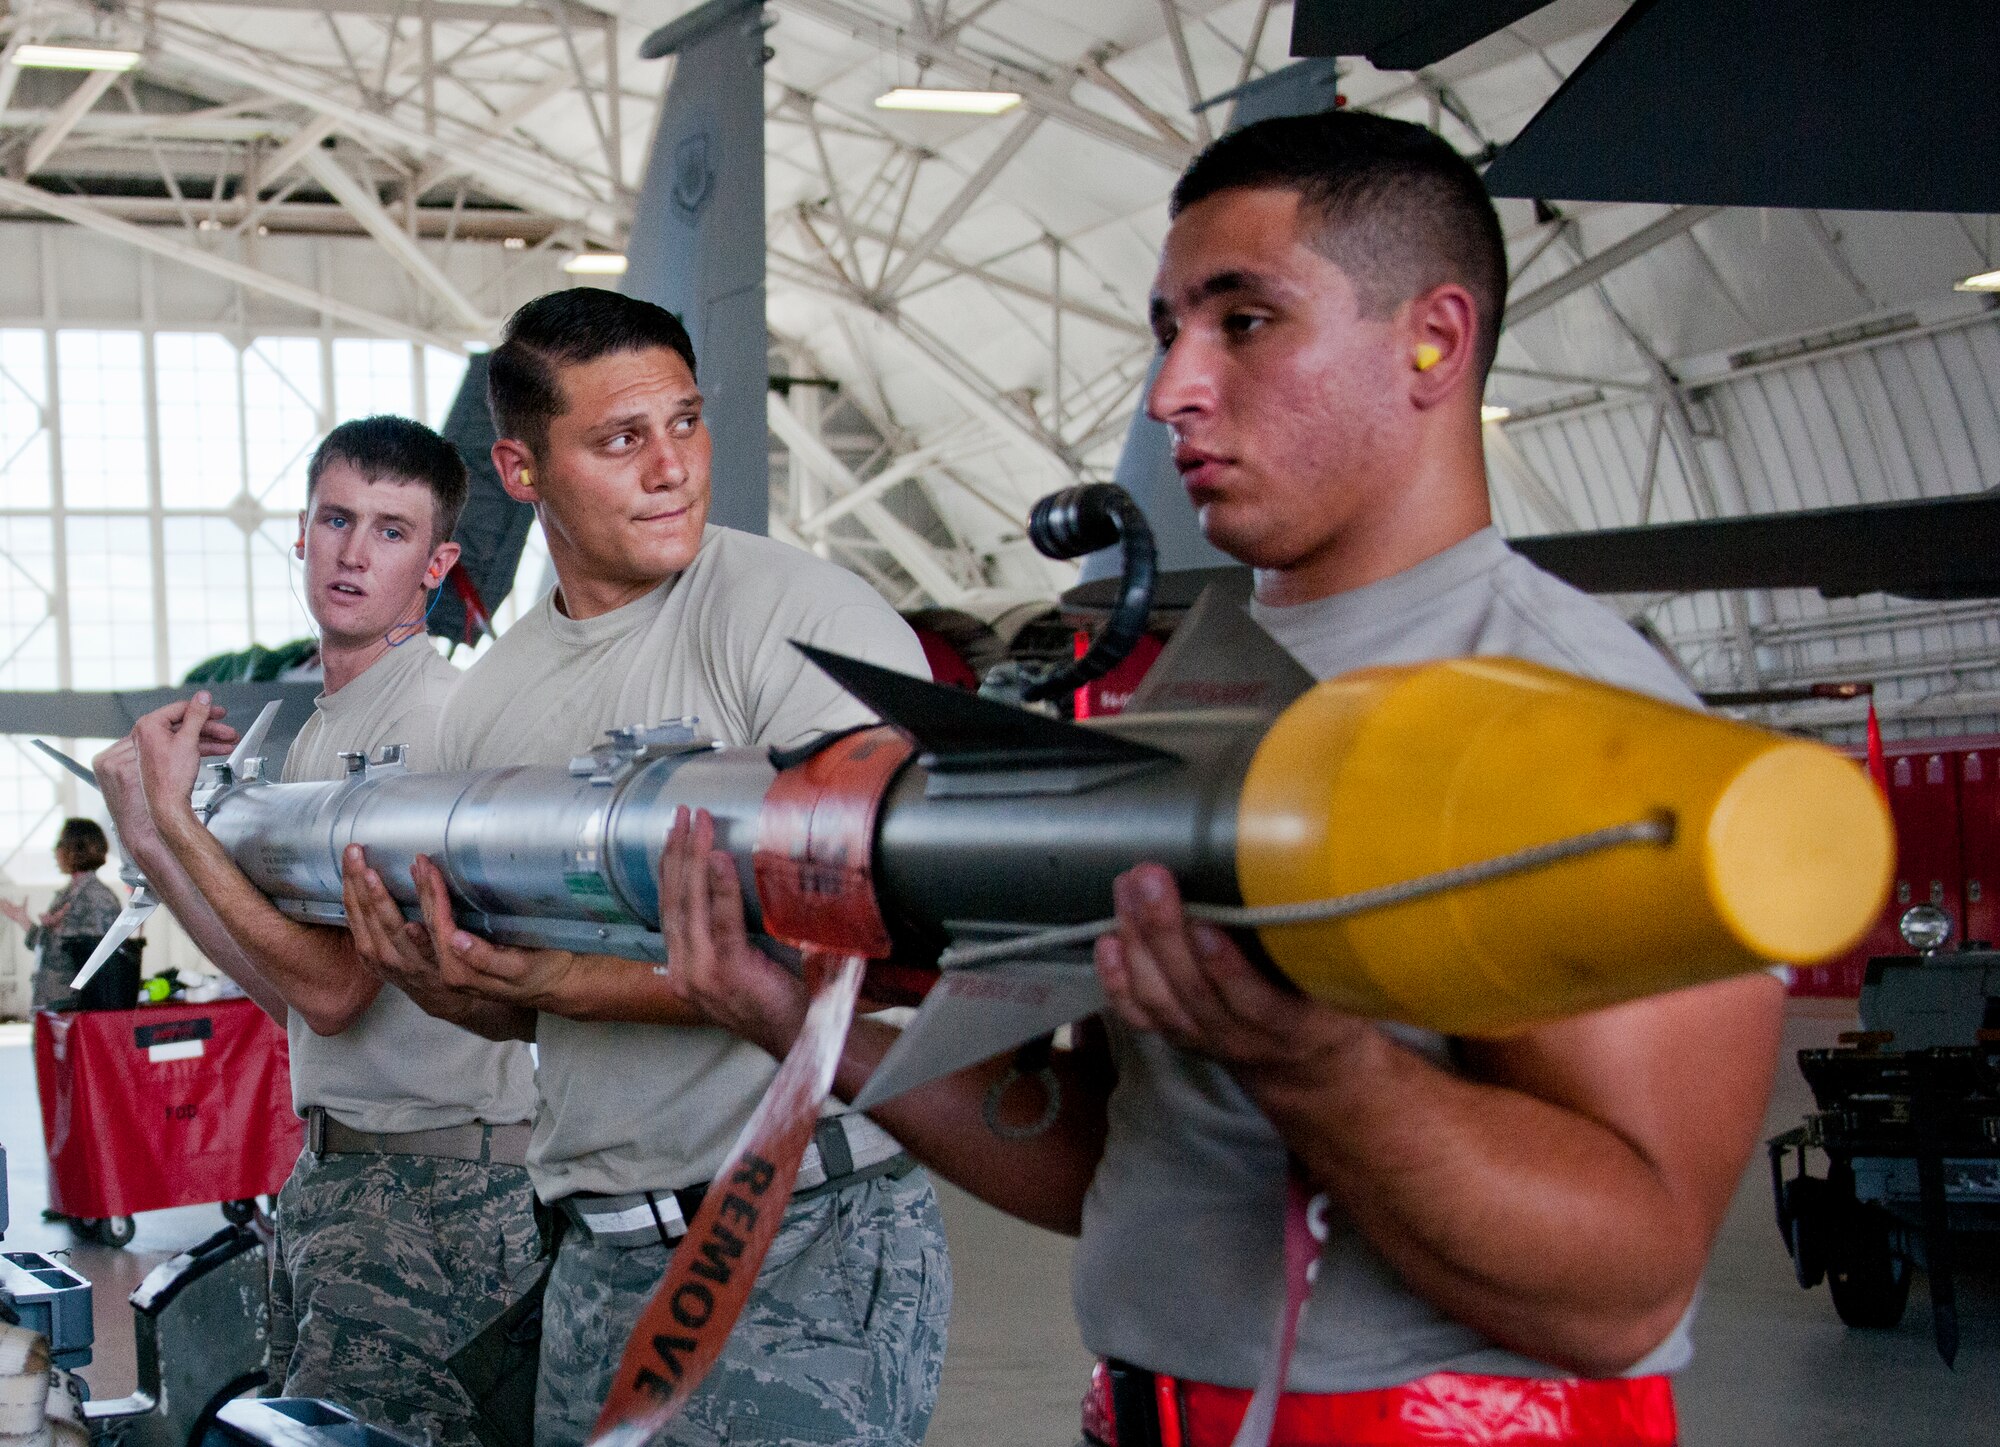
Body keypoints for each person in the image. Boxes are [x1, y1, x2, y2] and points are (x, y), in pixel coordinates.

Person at [649, 112, 1785, 1447]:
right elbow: (1128, 1164)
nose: (1171, 388)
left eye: (1244, 321)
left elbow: (1624, 1287)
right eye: (1166, 328)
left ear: (1434, 338)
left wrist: (1316, 1066)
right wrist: (807, 1029)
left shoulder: (1579, 721)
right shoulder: (1213, 678)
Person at [340, 290, 951, 1447]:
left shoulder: (795, 620)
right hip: (594, 1254)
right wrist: (458, 984)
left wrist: (554, 984)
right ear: (521, 470)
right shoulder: (496, 699)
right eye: (622, 440)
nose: (671, 467)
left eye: (685, 422)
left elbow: (857, 959)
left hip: (797, 1234)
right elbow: (536, 1006)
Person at [92, 416, 539, 1447]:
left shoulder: (435, 724)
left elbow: (340, 992)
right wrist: (159, 843)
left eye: (389, 531)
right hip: (343, 1172)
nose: (351, 551)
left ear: (435, 563)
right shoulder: (318, 731)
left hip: (436, 1191)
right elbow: (295, 991)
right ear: (300, 532)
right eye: (336, 519)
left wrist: (173, 829)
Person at [3, 819, 123, 1009]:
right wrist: (23, 921)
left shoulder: (97, 897)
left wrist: (58, 928)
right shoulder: (68, 895)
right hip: (52, 1001)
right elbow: (49, 949)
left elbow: (98, 956)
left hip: (75, 1006)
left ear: (77, 849)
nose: (54, 850)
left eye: (60, 843)